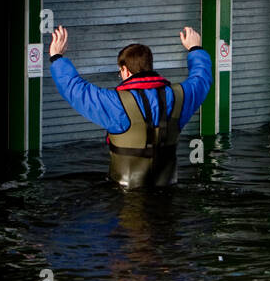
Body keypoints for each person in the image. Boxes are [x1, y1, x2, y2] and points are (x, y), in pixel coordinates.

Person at [48, 25, 213, 189]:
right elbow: (201, 77)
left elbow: (75, 89)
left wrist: (57, 57)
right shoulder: (180, 97)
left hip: (124, 198)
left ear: (125, 71)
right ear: (150, 67)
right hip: (168, 193)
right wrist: (195, 48)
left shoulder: (115, 103)